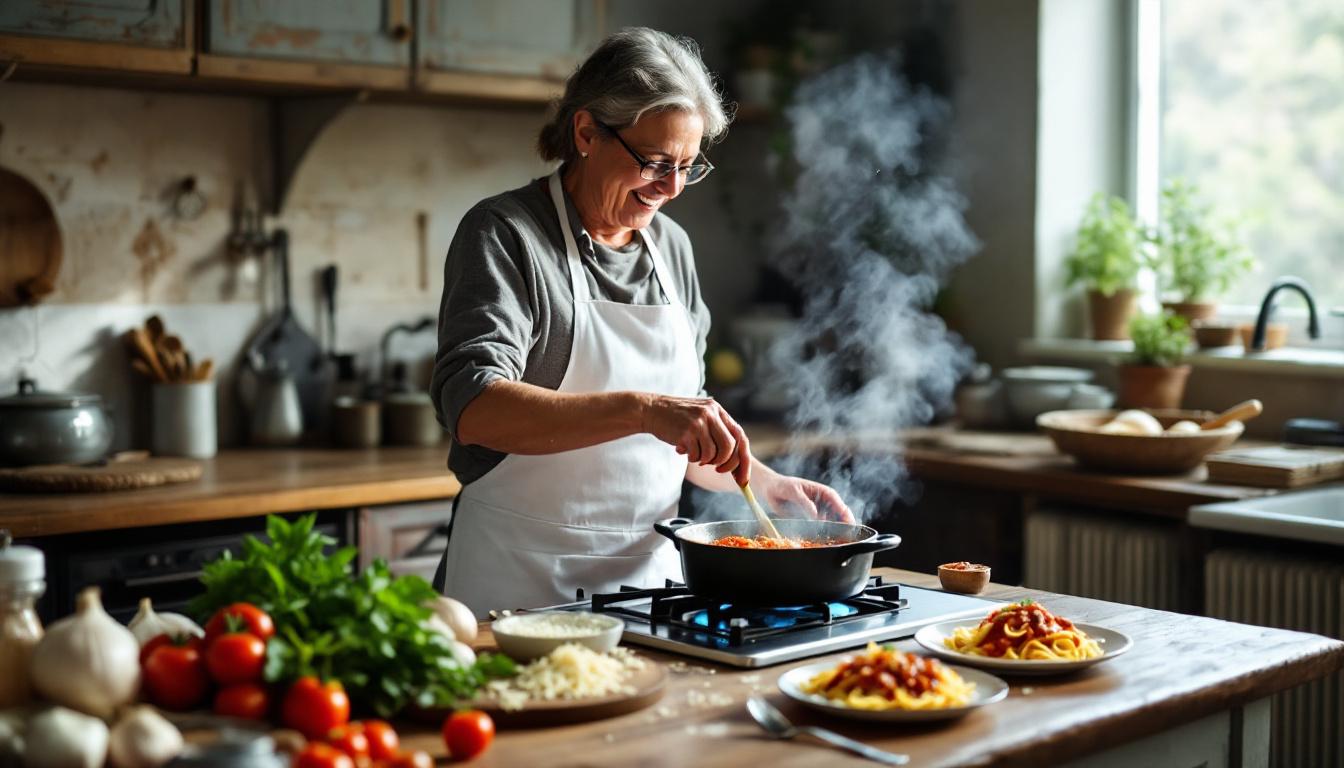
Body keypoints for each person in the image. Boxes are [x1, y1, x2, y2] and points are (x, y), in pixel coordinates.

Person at [431, 27, 852, 614]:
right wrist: (643, 410)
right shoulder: (506, 235)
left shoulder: (671, 248)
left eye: (687, 166)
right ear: (585, 132)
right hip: (515, 589)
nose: (672, 189)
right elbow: (473, 409)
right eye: (655, 162)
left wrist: (768, 484)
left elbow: (683, 429)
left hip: (645, 592)